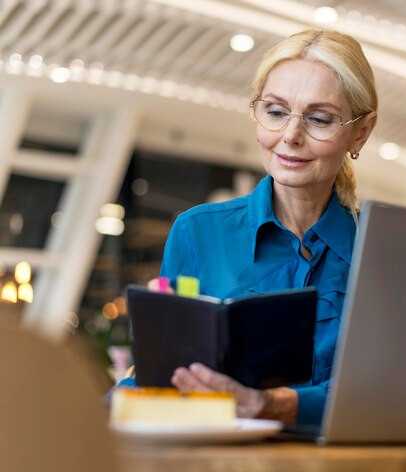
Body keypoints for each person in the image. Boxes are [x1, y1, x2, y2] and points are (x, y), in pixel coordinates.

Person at [121, 29, 377, 426]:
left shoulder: (380, 254)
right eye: (275, 112)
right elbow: (162, 373)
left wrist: (274, 404)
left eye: (319, 119)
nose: (290, 136)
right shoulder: (197, 234)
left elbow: (389, 394)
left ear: (360, 132)